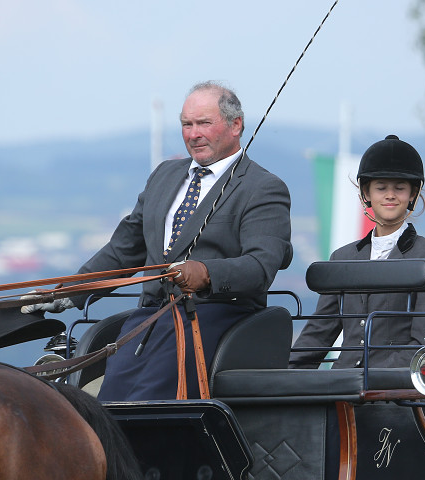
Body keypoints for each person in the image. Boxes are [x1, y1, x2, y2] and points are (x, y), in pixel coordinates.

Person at [24, 81, 292, 400]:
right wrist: (72, 290)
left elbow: (260, 266)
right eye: (186, 124)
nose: (193, 134)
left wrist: (206, 274)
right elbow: (125, 249)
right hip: (149, 319)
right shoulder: (164, 176)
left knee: (147, 403)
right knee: (110, 403)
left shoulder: (262, 187)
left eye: (204, 123)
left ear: (236, 125)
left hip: (214, 317)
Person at [289, 135, 425, 369]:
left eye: (400, 188)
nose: (390, 195)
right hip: (342, 383)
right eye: (381, 187)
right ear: (367, 193)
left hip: (395, 386)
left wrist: (371, 375)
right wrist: (285, 375)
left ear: (412, 194)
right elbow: (320, 331)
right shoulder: (343, 258)